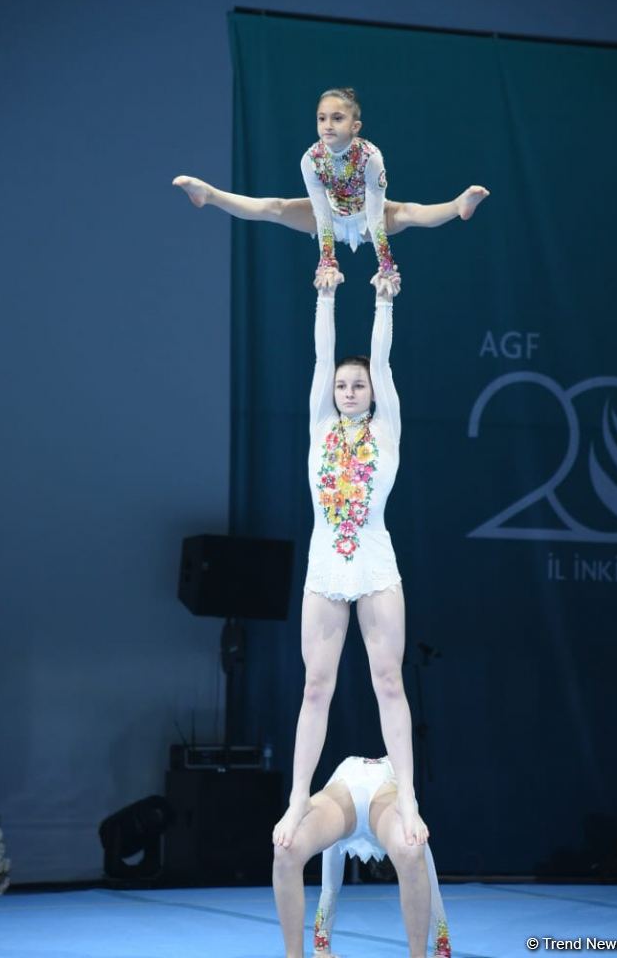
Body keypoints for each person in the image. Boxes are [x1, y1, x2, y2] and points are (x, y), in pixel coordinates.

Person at [271, 248, 426, 851]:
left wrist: (384, 304)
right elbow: (321, 355)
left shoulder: (386, 428)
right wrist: (326, 294)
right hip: (325, 569)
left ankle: (407, 797)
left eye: (358, 384)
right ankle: (297, 799)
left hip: (376, 567)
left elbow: (381, 361)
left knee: (389, 681)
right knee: (316, 687)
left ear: (373, 392)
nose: (350, 390)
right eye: (343, 384)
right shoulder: (319, 425)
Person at [172, 89, 489, 244]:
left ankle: (457, 205)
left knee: (408, 213)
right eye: (322, 118)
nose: (327, 124)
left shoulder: (370, 156)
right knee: (275, 207)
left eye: (337, 118)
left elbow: (376, 211)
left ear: (355, 126)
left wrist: (384, 263)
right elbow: (321, 213)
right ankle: (209, 194)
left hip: (369, 218)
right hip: (328, 216)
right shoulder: (311, 159)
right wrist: (327, 259)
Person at [273, 755, 451, 958]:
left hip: (360, 794)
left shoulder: (398, 797)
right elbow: (431, 885)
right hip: (354, 793)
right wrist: (442, 948)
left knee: (412, 849)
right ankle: (314, 949)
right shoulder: (394, 775)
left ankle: (321, 946)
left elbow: (329, 888)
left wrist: (321, 948)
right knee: (414, 849)